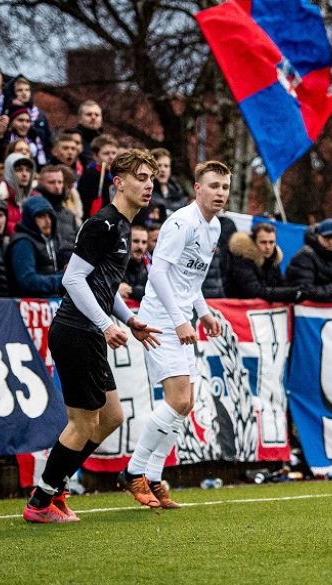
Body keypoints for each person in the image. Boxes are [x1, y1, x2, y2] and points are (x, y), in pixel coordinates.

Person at [22, 149, 162, 523]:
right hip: (77, 330)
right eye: (141, 177)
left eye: (151, 178)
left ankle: (55, 487)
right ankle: (41, 501)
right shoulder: (103, 223)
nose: (148, 184)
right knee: (83, 422)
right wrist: (105, 325)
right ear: (118, 183)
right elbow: (72, 280)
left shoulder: (122, 226)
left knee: (111, 416)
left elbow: (103, 286)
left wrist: (129, 320)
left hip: (88, 331)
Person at [117, 160, 228, 510]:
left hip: (180, 318)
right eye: (213, 186)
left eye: (224, 187)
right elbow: (159, 276)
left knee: (185, 404)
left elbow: (189, 282)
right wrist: (181, 319)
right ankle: (133, 471)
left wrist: (205, 312)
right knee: (179, 400)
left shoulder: (215, 228)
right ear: (197, 188)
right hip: (160, 319)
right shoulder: (180, 222)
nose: (220, 193)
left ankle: (152, 477)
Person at [224, 222, 303, 302]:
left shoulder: (273, 261)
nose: (268, 247)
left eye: (271, 242)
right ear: (254, 242)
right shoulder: (242, 261)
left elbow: (281, 286)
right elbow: (255, 291)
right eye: (263, 242)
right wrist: (290, 293)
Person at [6, 196, 64, 297]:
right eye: (41, 216)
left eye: (49, 216)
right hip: (29, 307)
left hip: (47, 304)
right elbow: (27, 280)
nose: (48, 221)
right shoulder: (23, 242)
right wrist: (61, 280)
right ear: (30, 219)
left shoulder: (48, 240)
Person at [286, 218, 332, 302]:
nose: (331, 242)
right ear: (318, 236)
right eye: (326, 238)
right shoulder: (305, 256)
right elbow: (304, 291)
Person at [118, 223, 149, 302]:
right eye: (135, 241)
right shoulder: (116, 264)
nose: (140, 246)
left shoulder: (149, 267)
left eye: (144, 242)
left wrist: (130, 290)